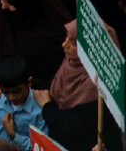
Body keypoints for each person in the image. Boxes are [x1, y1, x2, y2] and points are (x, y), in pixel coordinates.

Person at [41, 20, 124, 151]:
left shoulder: (97, 88)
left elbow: (70, 128)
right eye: (66, 38)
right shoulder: (72, 62)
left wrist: (47, 105)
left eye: (73, 42)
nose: (64, 44)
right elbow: (53, 86)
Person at [0, 54, 47, 151]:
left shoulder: (39, 109)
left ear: (29, 82)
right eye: (6, 92)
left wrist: (14, 136)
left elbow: (40, 146)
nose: (12, 97)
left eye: (17, 91)